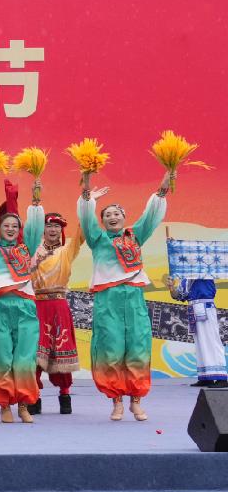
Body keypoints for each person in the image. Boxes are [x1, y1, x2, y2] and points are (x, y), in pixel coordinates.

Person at [78, 166, 174, 421]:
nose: (112, 217)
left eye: (116, 213)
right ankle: (117, 401)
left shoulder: (134, 236)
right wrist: (86, 186)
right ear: (102, 221)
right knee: (111, 349)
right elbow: (86, 217)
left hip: (133, 298)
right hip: (107, 299)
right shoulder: (97, 239)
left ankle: (136, 401)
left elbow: (150, 216)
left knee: (137, 347)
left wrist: (163, 188)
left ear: (123, 217)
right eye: (107, 214)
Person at [0, 179, 45, 424]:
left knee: (25, 358)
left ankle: (24, 405)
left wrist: (36, 201)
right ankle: (4, 404)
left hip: (25, 307)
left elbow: (36, 226)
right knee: (1, 358)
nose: (10, 229)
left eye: (15, 226)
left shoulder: (26, 248)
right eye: (6, 225)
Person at [31, 208, 90, 413]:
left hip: (58, 305)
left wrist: (87, 204)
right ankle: (34, 397)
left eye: (56, 226)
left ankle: (65, 394)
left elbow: (82, 234)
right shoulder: (33, 251)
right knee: (34, 352)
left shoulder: (66, 251)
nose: (53, 230)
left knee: (61, 350)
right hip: (37, 305)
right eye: (49, 226)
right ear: (42, 229)